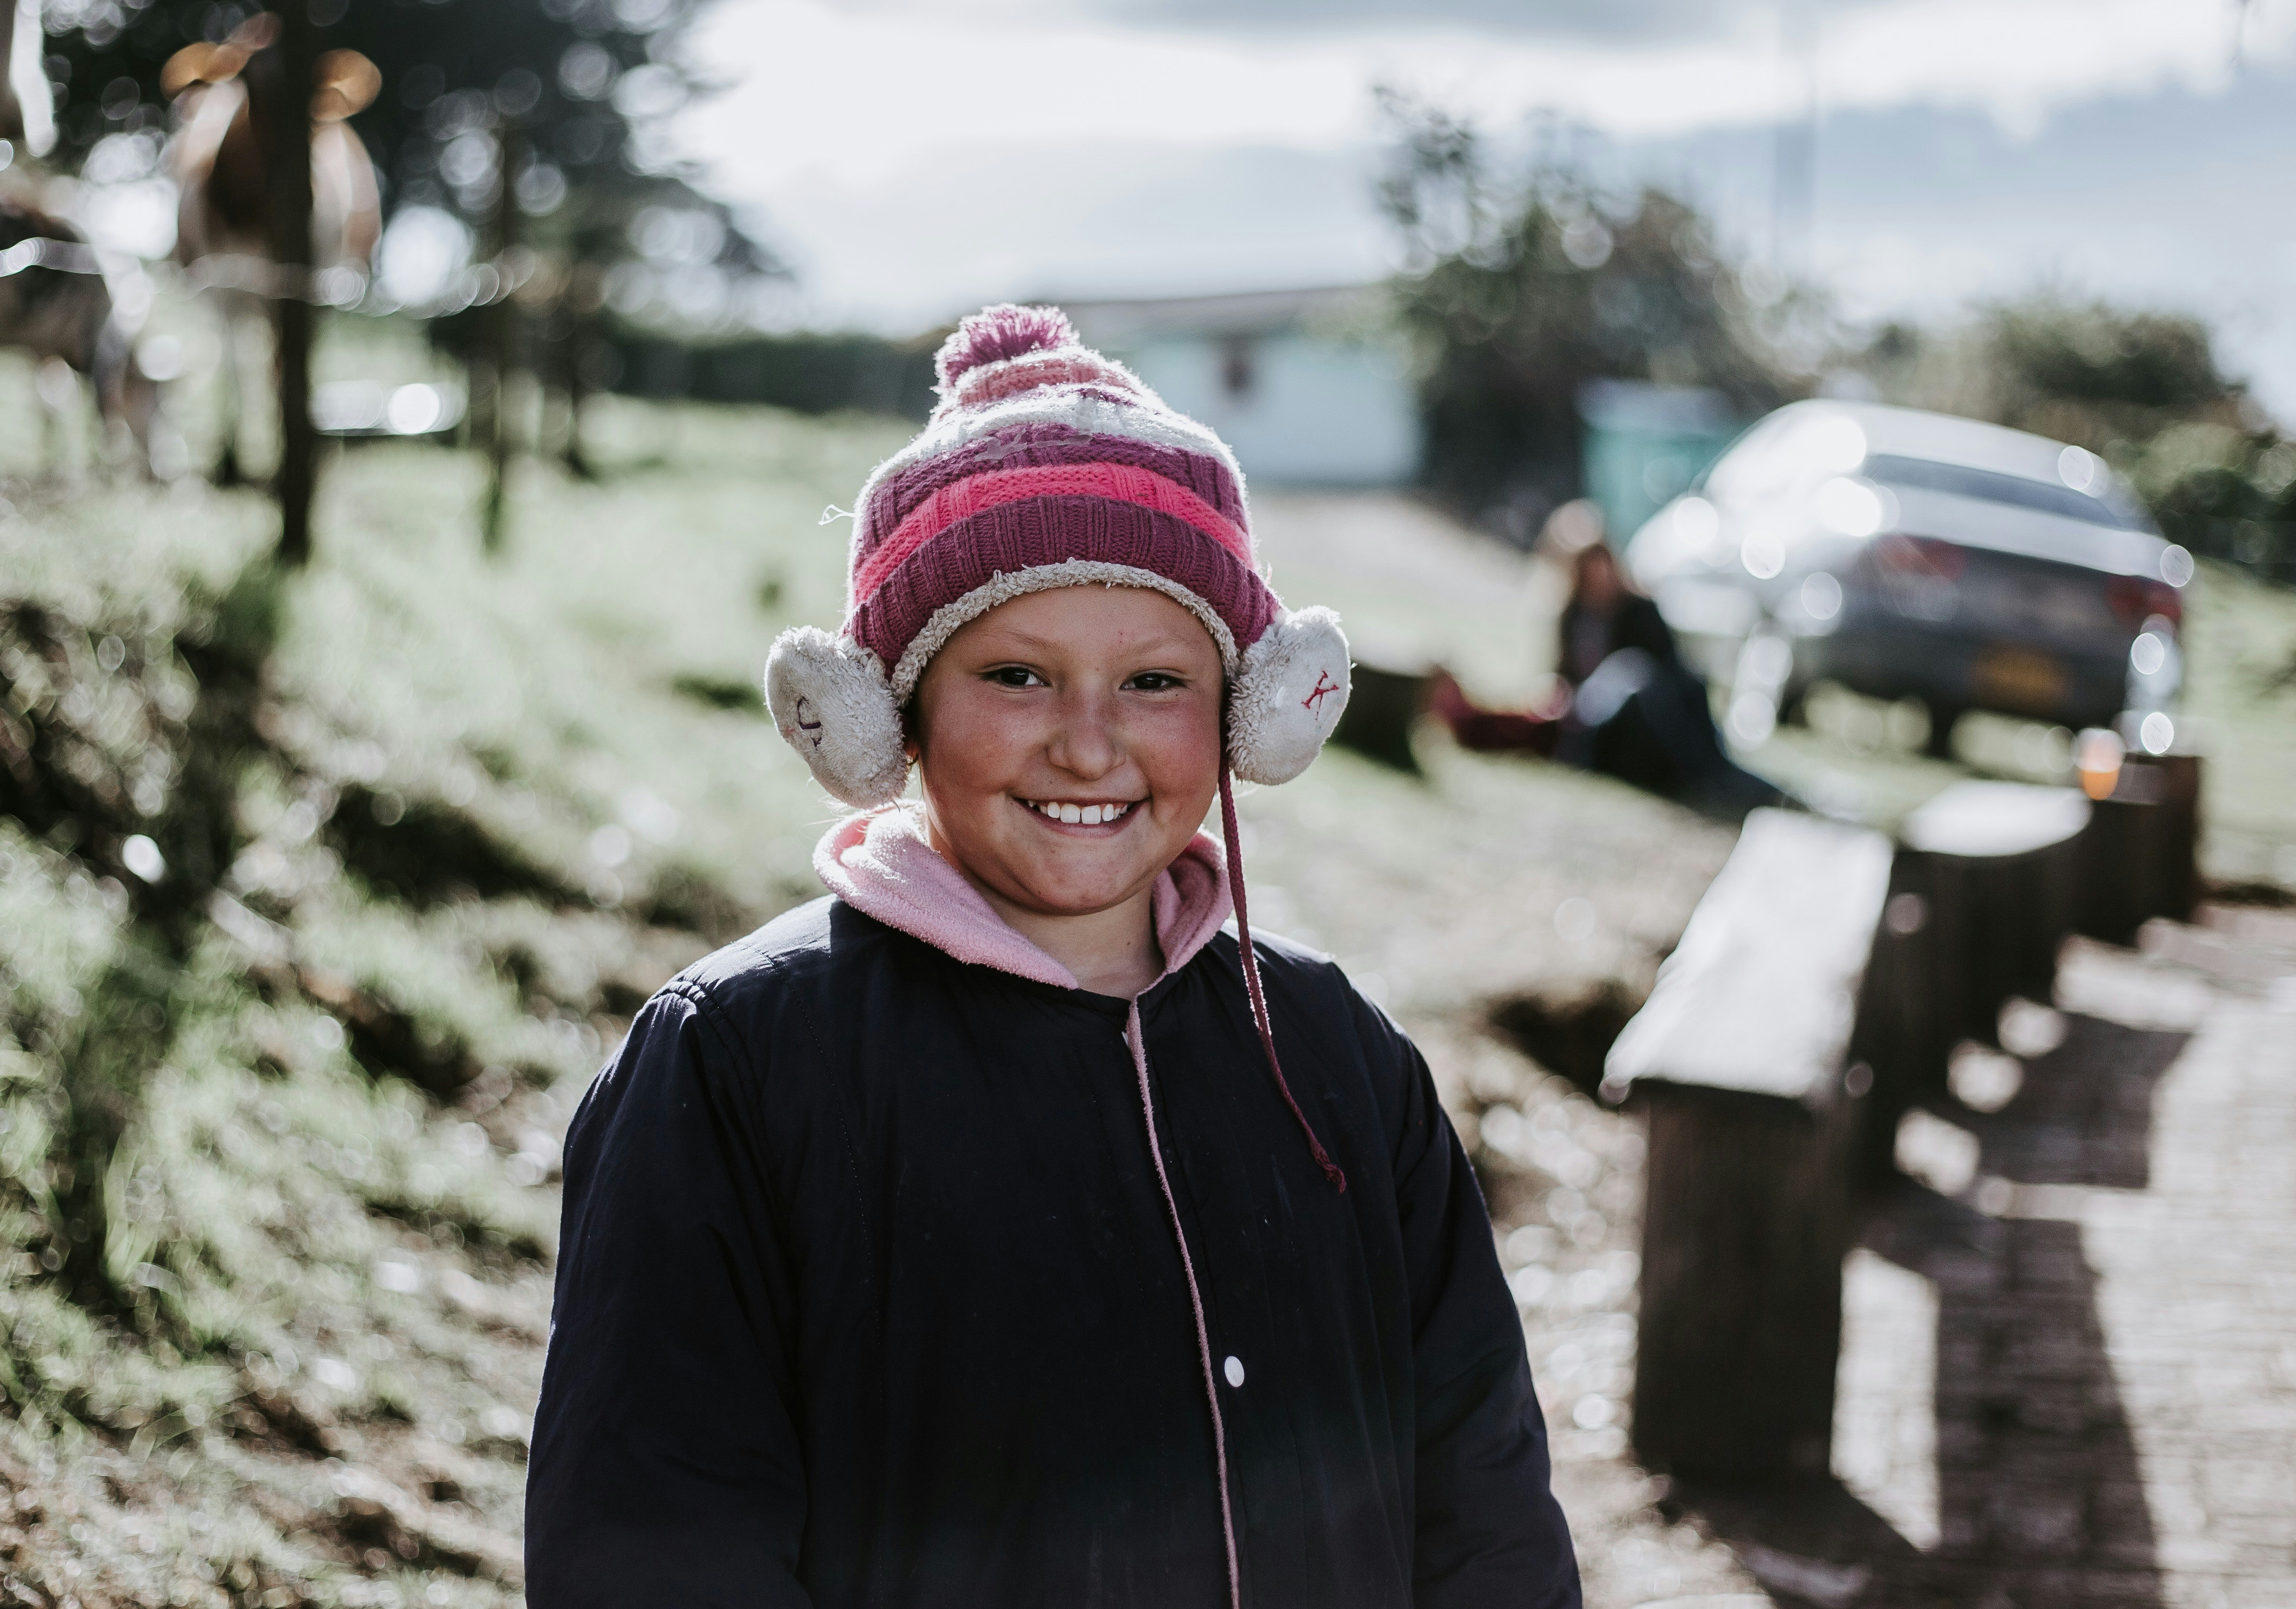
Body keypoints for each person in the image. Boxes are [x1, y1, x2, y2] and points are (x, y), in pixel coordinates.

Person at [526, 306, 1580, 1608]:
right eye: (1017, 676)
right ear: (888, 714)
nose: (1088, 746)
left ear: (1252, 711)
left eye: (1154, 683)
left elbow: (1485, 1507)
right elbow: (654, 1540)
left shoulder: (1339, 1057)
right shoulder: (738, 1065)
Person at [1551, 530, 1782, 818]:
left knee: (1661, 683)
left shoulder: (1640, 611)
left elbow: (1668, 672)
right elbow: (1563, 674)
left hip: (1646, 716)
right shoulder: (1572, 615)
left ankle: (1708, 776)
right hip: (1598, 722)